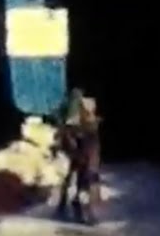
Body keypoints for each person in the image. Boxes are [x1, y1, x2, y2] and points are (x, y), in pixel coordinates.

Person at [55, 89, 103, 225]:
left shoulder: (88, 127)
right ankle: (71, 207)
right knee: (76, 181)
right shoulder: (76, 125)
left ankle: (82, 210)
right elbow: (68, 139)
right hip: (79, 157)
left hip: (85, 159)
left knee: (84, 184)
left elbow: (91, 148)